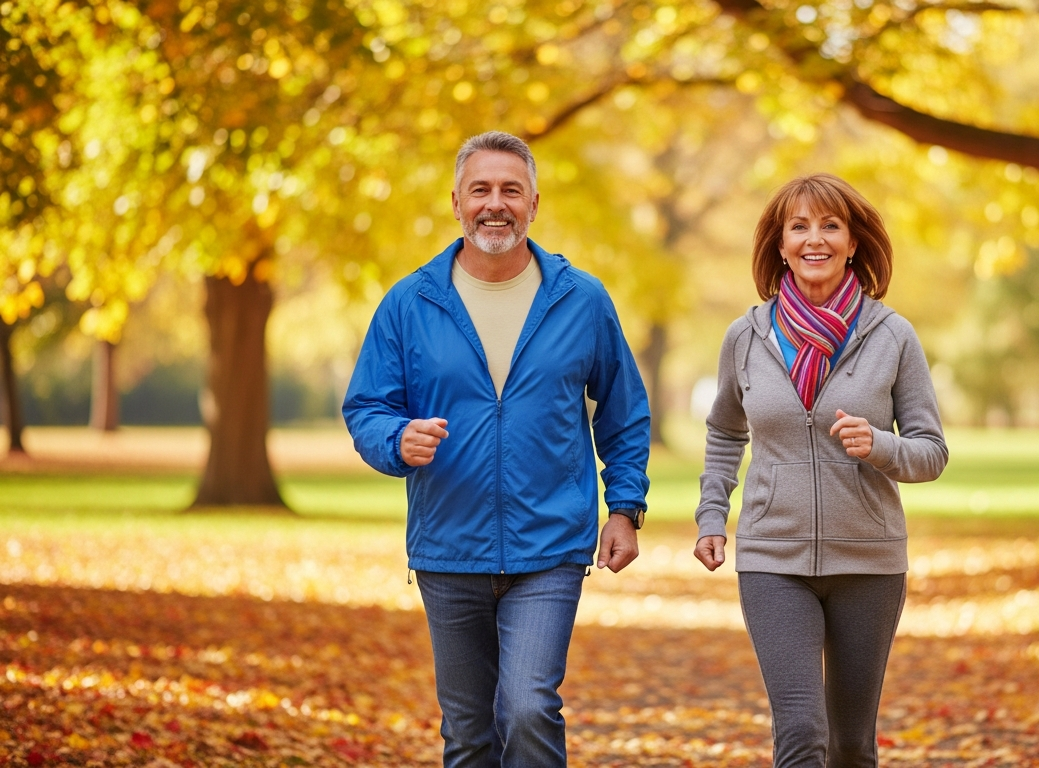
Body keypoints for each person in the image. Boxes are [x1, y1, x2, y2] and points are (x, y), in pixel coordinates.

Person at [343, 131, 650, 768]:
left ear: (534, 203)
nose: (495, 203)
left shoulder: (580, 298)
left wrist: (625, 507)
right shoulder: (411, 302)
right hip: (449, 548)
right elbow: (366, 407)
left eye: (511, 189)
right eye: (480, 189)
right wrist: (396, 439)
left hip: (550, 547)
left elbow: (623, 411)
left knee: (528, 707)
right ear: (456, 201)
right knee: (467, 731)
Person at [693, 173, 948, 767]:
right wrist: (712, 515)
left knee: (852, 744)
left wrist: (880, 445)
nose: (815, 239)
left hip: (869, 561)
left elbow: (931, 450)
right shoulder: (746, 338)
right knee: (802, 732)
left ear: (853, 242)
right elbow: (725, 430)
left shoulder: (893, 336)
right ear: (779, 244)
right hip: (772, 558)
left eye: (830, 226)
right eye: (799, 227)